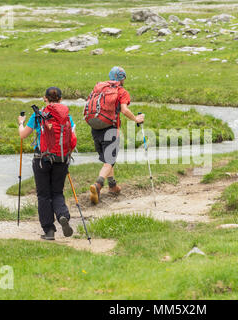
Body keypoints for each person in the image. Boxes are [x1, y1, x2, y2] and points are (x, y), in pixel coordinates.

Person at [17, 87, 76, 241]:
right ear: (61, 100)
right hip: (61, 159)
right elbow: (72, 138)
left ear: (45, 99)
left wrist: (20, 123)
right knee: (57, 192)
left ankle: (49, 231)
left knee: (43, 195)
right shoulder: (67, 117)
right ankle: (63, 215)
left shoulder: (38, 116)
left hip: (41, 159)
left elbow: (23, 135)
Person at [86, 66, 144, 204]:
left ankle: (112, 186)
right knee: (109, 161)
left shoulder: (99, 88)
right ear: (122, 78)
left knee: (107, 159)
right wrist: (136, 119)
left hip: (95, 126)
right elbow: (124, 110)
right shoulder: (121, 91)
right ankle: (98, 185)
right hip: (111, 128)